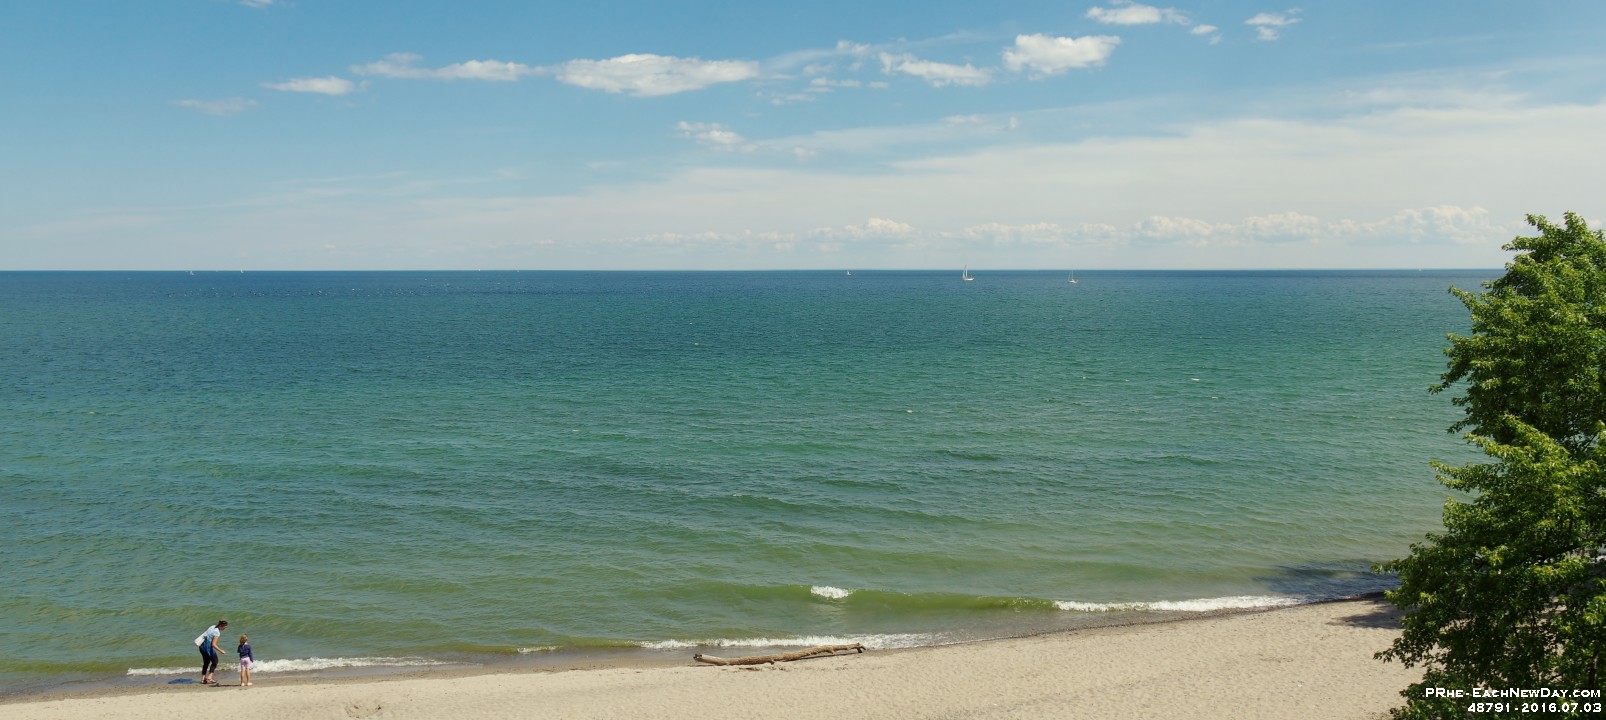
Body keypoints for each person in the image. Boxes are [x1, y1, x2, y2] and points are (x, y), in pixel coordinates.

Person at [194, 620, 228, 685]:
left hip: (202, 646)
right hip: (208, 648)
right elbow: (213, 644)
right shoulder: (217, 632)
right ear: (220, 626)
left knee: (206, 663)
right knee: (215, 661)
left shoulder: (212, 626)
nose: (224, 629)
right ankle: (209, 677)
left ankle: (203, 679)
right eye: (224, 628)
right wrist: (221, 651)